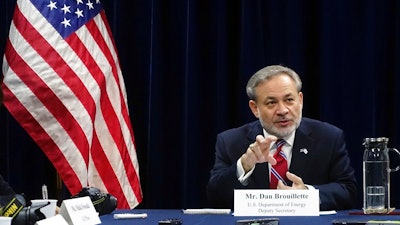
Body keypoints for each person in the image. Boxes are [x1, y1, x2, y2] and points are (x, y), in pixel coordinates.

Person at [206, 65, 357, 211]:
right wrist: (244, 165)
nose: (283, 110)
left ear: (300, 100)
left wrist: (307, 194)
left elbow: (348, 190)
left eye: (289, 100)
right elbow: (215, 197)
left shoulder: (328, 137)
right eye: (271, 103)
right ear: (254, 108)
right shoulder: (230, 141)